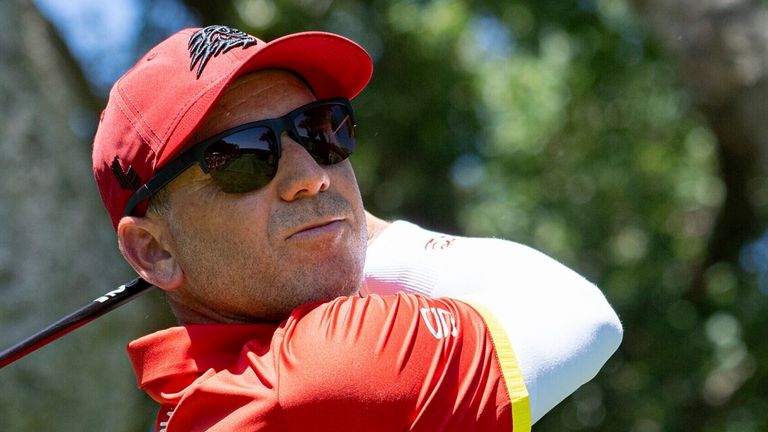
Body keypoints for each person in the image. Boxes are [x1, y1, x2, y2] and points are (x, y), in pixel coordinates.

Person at [91, 25, 622, 431]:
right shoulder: (323, 372)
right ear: (153, 250)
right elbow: (580, 313)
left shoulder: (204, 402)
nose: (311, 176)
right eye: (241, 158)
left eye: (320, 131)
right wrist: (362, 228)